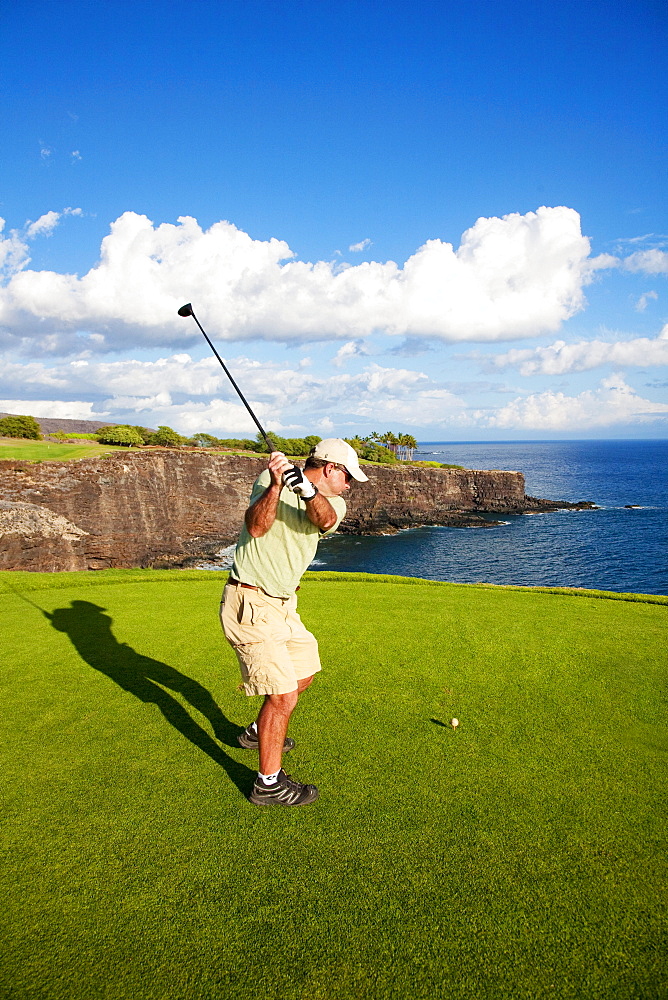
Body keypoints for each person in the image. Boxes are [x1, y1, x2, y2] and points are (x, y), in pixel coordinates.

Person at [220, 438, 368, 806]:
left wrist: (305, 489)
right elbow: (256, 527)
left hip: (285, 605)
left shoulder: (335, 501)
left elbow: (325, 518)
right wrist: (276, 484)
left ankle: (257, 731)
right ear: (331, 468)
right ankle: (267, 784)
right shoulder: (267, 481)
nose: (349, 485)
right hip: (251, 600)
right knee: (283, 694)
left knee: (304, 673)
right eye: (347, 476)